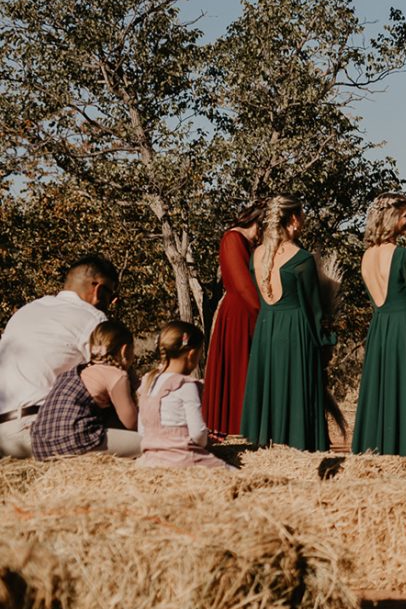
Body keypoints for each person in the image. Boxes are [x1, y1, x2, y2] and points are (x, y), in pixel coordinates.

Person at [0, 254, 118, 458]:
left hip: (3, 435)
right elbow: (113, 382)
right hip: (42, 430)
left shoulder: (25, 312)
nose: (111, 303)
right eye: (111, 295)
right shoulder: (93, 318)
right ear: (98, 289)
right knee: (149, 448)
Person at [240, 196, 333, 451]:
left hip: (266, 328)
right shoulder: (301, 259)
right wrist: (325, 341)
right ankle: (299, 442)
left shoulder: (256, 255)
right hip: (295, 330)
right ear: (293, 219)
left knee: (272, 385)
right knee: (295, 389)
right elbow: (313, 309)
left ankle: (268, 440)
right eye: (302, 215)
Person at [352, 193, 406, 457]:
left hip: (380, 329)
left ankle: (379, 446)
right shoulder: (402, 256)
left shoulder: (366, 257)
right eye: (405, 215)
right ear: (391, 219)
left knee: (384, 388)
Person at [31, 320, 141, 459]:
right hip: (73, 440)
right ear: (124, 350)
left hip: (41, 446)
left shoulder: (79, 370)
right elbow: (132, 423)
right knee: (149, 445)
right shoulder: (115, 375)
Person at [202, 200, 264, 439]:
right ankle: (232, 424)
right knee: (238, 365)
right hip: (239, 312)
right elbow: (242, 284)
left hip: (249, 309)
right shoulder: (233, 238)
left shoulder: (250, 244)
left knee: (247, 368)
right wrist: (264, 311)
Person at [139, 320, 230, 469]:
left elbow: (142, 431)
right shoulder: (186, 385)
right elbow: (198, 436)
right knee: (234, 473)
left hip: (151, 460)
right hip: (183, 458)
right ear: (192, 354)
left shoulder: (147, 381)